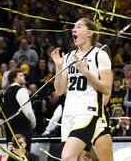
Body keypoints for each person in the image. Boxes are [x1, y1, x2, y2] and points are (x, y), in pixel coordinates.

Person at [51, 18, 113, 161]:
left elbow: (106, 88)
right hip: (69, 114)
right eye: (73, 27)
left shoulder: (99, 55)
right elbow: (59, 91)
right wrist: (59, 67)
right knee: (78, 158)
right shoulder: (67, 57)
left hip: (87, 112)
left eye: (79, 27)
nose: (74, 30)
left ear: (90, 33)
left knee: (67, 157)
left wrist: (86, 72)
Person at [2, 69, 36, 151]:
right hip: (22, 128)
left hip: (10, 129)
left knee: (13, 154)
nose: (24, 77)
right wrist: (33, 123)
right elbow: (28, 112)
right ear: (14, 79)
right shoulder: (21, 90)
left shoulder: (5, 92)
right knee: (23, 154)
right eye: (20, 75)